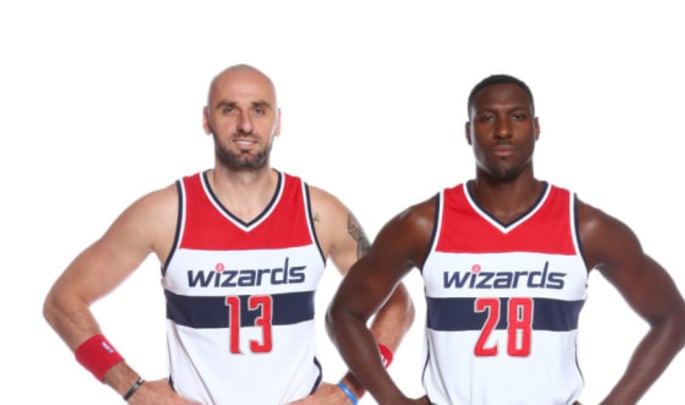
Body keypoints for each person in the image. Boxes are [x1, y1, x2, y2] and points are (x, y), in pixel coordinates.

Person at [43, 64, 414, 405]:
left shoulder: (321, 214)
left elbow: (398, 304)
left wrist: (350, 390)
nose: (245, 125)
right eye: (228, 109)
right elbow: (63, 301)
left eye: (258, 109)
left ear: (278, 121)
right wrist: (132, 387)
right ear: (207, 120)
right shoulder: (166, 213)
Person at [326, 74, 685, 405]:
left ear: (535, 128)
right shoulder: (425, 224)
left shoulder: (584, 226)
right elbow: (344, 313)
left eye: (516, 116)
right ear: (469, 132)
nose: (503, 130)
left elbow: (672, 318)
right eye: (487, 118)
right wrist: (391, 399)